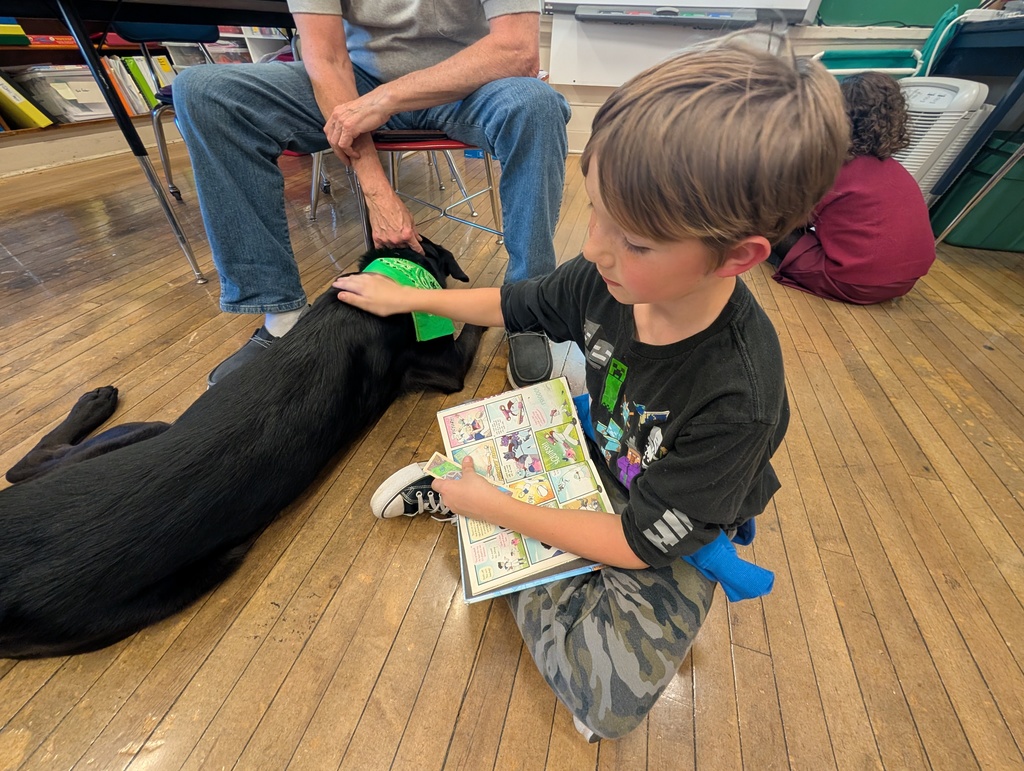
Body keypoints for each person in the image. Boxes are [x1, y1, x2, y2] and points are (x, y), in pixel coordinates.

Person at [333, 36, 849, 741]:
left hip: (660, 514)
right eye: (596, 206)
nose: (597, 245)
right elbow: (516, 304)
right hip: (605, 455)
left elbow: (640, 544)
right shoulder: (603, 276)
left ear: (738, 256)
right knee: (573, 547)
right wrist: (407, 302)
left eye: (636, 241)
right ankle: (489, 508)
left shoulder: (738, 398)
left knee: (604, 706)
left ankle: (477, 508)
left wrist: (500, 508)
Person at [172, 1, 571, 387]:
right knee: (205, 92)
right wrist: (376, 191)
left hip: (467, 81)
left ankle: (528, 305)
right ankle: (283, 317)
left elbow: (517, 50)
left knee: (537, 106)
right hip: (355, 84)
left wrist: (388, 99)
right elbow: (326, 58)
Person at [769, 70, 936, 304]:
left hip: (854, 282)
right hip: (905, 282)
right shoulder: (896, 169)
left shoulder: (833, 167)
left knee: (769, 224)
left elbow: (790, 219)